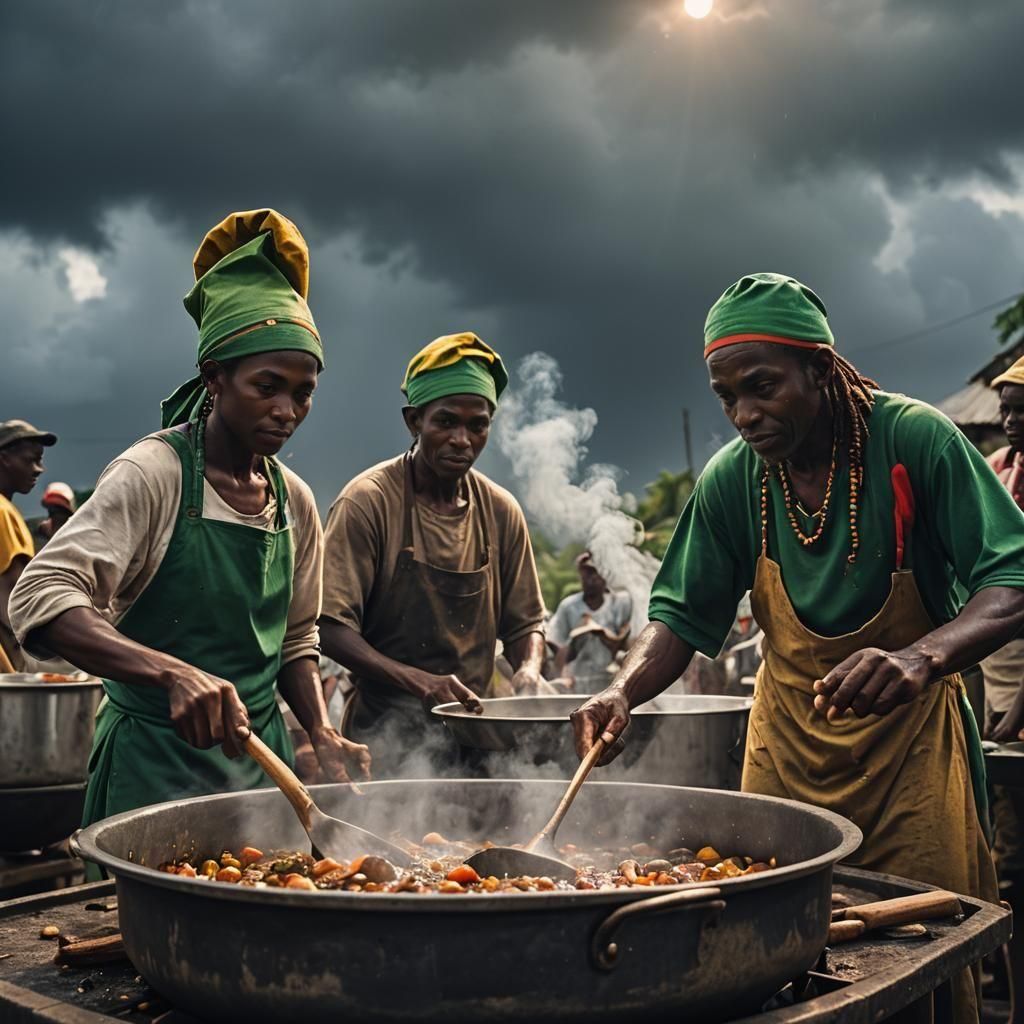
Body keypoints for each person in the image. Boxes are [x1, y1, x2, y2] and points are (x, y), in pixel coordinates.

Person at [572, 272, 1024, 1024]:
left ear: (819, 369)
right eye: (726, 397)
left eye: (762, 387)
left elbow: (1011, 577)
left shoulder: (915, 440)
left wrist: (923, 657)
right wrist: (622, 690)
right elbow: (681, 615)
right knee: (781, 961)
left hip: (909, 759)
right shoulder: (733, 481)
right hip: (785, 757)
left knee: (922, 963)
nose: (743, 415)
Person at [9, 209, 370, 828]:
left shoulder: (295, 501)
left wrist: (319, 730)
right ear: (215, 378)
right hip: (152, 769)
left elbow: (295, 639)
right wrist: (171, 673)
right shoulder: (155, 474)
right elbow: (38, 596)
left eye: (303, 392)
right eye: (268, 386)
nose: (287, 410)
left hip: (264, 779)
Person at [319, 332, 549, 776]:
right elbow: (329, 628)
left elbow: (526, 624)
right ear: (413, 421)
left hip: (481, 739)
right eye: (445, 422)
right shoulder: (367, 502)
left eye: (477, 425)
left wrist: (530, 669)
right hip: (386, 742)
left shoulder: (500, 511)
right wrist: (420, 681)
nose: (462, 439)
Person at [0, 419, 56, 670]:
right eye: (31, 459)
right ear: (4, 459)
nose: (39, 469)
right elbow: (11, 595)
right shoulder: (2, 512)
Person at [547, 552, 632, 693]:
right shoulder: (569, 606)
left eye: (595, 573)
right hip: (577, 681)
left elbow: (627, 643)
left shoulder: (619, 603)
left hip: (611, 680)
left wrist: (602, 633)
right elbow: (557, 644)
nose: (591, 579)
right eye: (586, 574)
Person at [30, 482, 77, 551]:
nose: (56, 513)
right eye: (52, 508)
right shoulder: (42, 531)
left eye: (60, 509)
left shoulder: (77, 532)